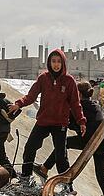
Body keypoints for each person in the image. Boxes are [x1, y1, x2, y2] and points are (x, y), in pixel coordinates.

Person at [9, 49, 85, 182]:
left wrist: (81, 121)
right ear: (49, 63)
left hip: (60, 123)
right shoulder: (43, 78)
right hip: (43, 121)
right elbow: (31, 96)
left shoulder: (69, 81)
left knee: (61, 156)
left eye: (58, 62)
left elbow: (75, 103)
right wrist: (19, 104)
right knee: (30, 147)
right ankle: (26, 177)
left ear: (63, 63)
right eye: (53, 61)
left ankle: (67, 185)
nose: (56, 64)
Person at [40, 81, 104, 196]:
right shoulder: (95, 105)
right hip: (101, 141)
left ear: (78, 93)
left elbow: (69, 122)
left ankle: (45, 167)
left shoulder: (78, 107)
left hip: (88, 141)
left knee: (64, 143)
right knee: (101, 176)